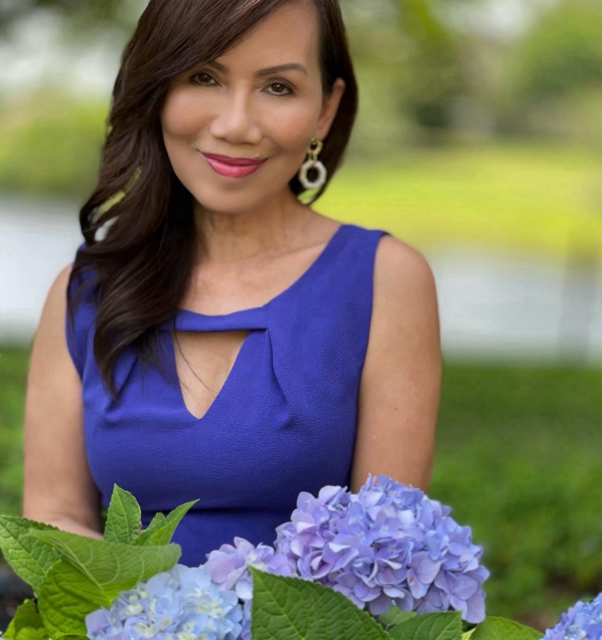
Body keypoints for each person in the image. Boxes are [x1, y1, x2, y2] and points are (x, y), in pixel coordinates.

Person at [22, 0, 441, 567]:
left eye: (278, 87)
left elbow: (383, 550)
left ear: (325, 109)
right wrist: (163, 607)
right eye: (203, 77)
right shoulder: (83, 293)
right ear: (157, 87)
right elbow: (52, 519)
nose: (235, 125)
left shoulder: (385, 280)